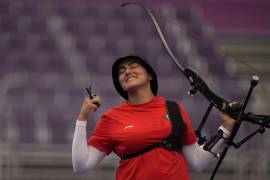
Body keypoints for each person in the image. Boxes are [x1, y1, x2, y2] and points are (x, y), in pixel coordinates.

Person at [72, 55, 235, 180]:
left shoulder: (174, 109)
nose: (127, 72)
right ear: (120, 83)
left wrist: (226, 129)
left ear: (149, 75)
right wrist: (82, 117)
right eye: (121, 71)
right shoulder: (112, 118)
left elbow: (196, 162)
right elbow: (81, 165)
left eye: (133, 66)